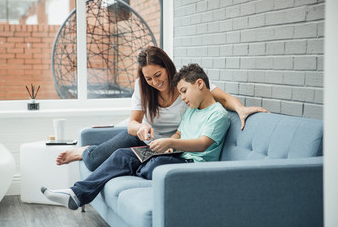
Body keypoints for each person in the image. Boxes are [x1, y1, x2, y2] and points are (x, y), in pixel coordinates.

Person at [41, 63, 231, 210]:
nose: (182, 97)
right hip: (178, 155)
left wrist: (171, 142)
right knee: (122, 155)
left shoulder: (218, 114)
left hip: (193, 165)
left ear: (199, 84)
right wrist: (171, 143)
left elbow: (203, 144)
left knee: (154, 165)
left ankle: (135, 167)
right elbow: (180, 132)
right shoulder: (191, 110)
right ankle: (76, 194)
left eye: (184, 91)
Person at [55, 46, 267, 171]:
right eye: (149, 79)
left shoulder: (185, 84)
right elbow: (131, 123)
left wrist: (240, 109)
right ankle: (84, 151)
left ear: (167, 68)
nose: (155, 82)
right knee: (93, 162)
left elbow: (223, 98)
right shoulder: (143, 87)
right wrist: (140, 128)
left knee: (127, 163)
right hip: (142, 138)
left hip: (171, 148)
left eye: (158, 75)